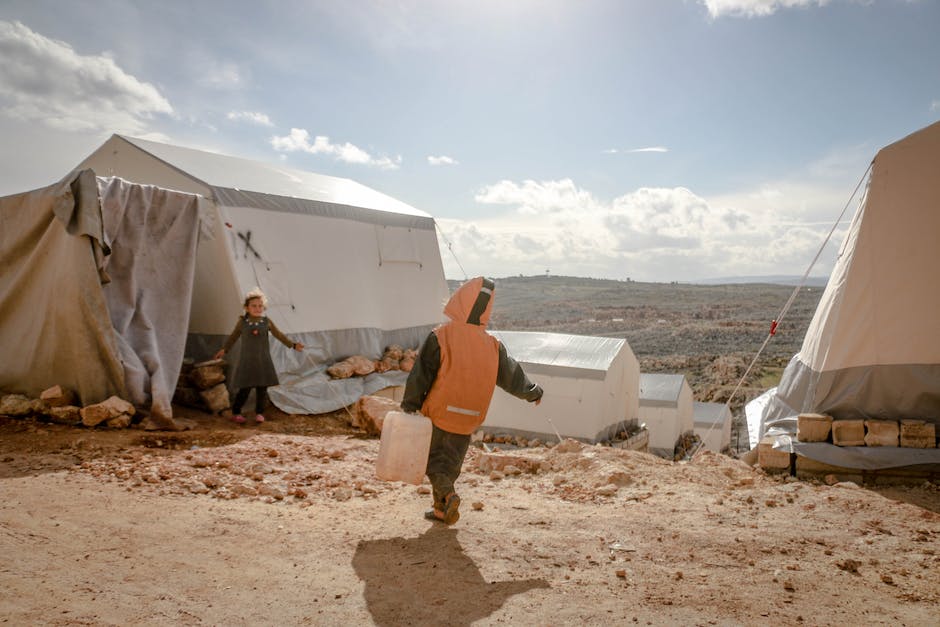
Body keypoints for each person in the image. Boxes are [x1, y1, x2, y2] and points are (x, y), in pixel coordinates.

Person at [401, 277, 543, 525]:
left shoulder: (441, 336)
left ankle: (447, 494)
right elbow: (511, 376)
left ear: (459, 301)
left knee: (433, 462)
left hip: (440, 412)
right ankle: (441, 509)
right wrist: (533, 391)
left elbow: (422, 374)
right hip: (470, 416)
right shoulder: (492, 345)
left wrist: (409, 404)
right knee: (451, 464)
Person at [214, 288, 304, 424]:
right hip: (247, 361)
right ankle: (236, 412)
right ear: (246, 307)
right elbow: (233, 337)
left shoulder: (266, 322)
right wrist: (224, 349)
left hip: (263, 360)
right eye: (254, 306)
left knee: (262, 388)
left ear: (264, 307)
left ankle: (259, 413)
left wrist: (293, 345)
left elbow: (279, 335)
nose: (257, 308)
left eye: (260, 306)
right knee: (245, 387)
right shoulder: (242, 322)